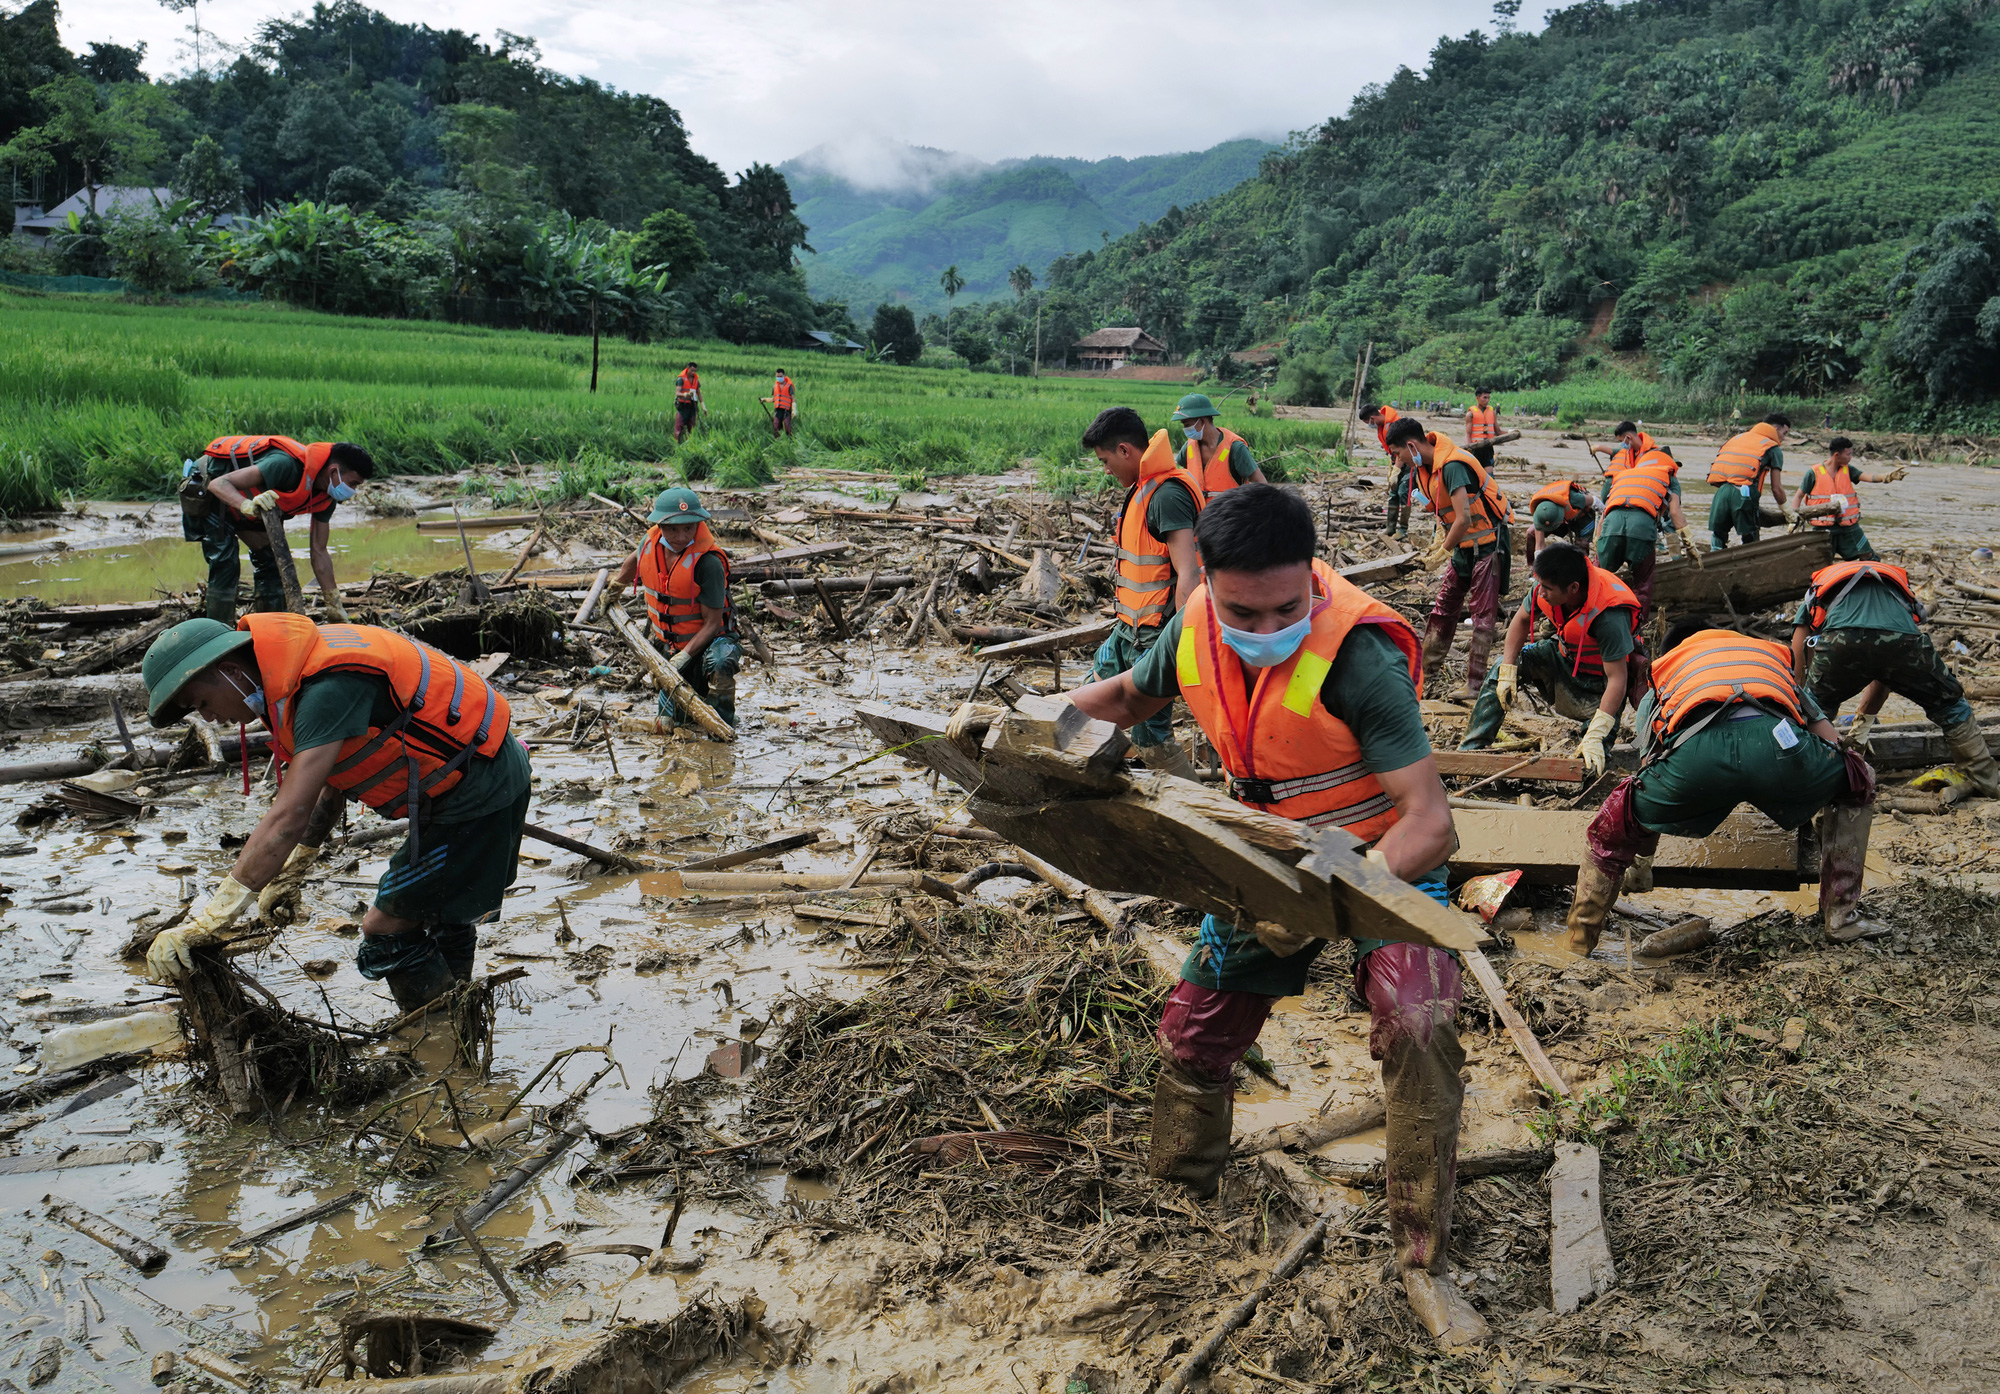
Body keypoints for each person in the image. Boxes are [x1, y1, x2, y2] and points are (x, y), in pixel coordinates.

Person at [1066, 484, 1484, 1346]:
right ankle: (1180, 1201)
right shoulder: (1190, 625)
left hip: (1365, 851)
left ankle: (1425, 1261)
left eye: (1287, 609)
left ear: (1314, 582)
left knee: (1422, 1022)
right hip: (1261, 847)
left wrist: (1325, 895)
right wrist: (1048, 721)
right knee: (1193, 1035)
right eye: (1242, 612)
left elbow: (1431, 824)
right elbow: (1134, 700)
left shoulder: (1361, 656)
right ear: (1206, 579)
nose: (1264, 632)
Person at [137, 613, 530, 1010]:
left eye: (202, 702)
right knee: (437, 908)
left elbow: (288, 816)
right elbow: (334, 777)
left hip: (477, 790)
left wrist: (213, 919)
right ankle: (457, 1012)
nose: (207, 718)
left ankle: (436, 1032)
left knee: (385, 926)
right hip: (471, 774)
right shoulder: (293, 673)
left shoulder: (326, 688)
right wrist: (296, 868)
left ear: (231, 670)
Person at [1565, 618, 1877, 954]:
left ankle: (1578, 944)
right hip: (1781, 748)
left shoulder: (1666, 671)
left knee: (1615, 823)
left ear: (1672, 651)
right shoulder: (1762, 656)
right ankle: (1842, 916)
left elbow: (1650, 771)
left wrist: (1642, 861)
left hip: (1698, 763)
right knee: (1858, 781)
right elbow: (1829, 739)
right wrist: (1815, 792)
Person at [1792, 559, 1998, 795]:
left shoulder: (1821, 584)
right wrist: (1861, 729)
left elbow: (1798, 651)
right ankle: (1983, 779)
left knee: (1817, 707)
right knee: (1950, 704)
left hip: (1841, 641)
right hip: (1902, 641)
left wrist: (1802, 699)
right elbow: (1885, 673)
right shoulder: (1896, 587)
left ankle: (1806, 780)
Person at [1082, 407, 1205, 778]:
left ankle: (1200, 815)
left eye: (1105, 460)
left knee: (1151, 736)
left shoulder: (1166, 495)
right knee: (1087, 702)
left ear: (1124, 450)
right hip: (1128, 630)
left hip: (1155, 637)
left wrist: (1181, 641)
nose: (1105, 469)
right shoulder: (1143, 486)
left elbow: (1189, 572)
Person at [1459, 543, 1643, 787]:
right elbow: (1521, 621)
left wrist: (1597, 733)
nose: (1541, 592)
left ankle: (1593, 741)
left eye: (1547, 588)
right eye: (1540, 584)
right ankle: (1473, 746)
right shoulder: (1544, 587)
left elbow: (1618, 678)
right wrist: (1507, 672)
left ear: (1573, 588)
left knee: (1592, 761)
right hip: (1562, 657)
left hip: (1600, 683)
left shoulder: (1608, 615)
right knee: (1508, 663)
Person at [182, 436, 372, 625]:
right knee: (225, 562)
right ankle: (218, 633)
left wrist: (333, 603)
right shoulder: (284, 465)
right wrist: (247, 506)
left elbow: (320, 551)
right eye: (353, 483)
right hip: (210, 486)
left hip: (248, 501)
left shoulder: (326, 497)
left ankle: (269, 628)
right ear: (333, 471)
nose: (352, 490)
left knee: (272, 561)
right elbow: (219, 484)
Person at [1386, 417, 1512, 700]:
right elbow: (1442, 512)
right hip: (1464, 546)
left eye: (1397, 454)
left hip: (1487, 545)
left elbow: (1464, 517)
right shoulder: (1422, 469)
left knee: (1482, 615)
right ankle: (1426, 672)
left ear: (1410, 445)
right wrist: (1438, 544)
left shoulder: (1453, 466)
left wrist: (1444, 550)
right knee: (1443, 606)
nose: (1398, 460)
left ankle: (1475, 685)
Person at [611, 488, 741, 728]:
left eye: (688, 528)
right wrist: (616, 586)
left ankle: (722, 727)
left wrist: (684, 657)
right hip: (671, 645)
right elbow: (634, 559)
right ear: (659, 525)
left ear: (697, 525)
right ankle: (693, 699)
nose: (681, 536)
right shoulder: (651, 544)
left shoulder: (708, 563)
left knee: (720, 665)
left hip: (711, 642)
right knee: (674, 723)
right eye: (672, 528)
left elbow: (712, 624)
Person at [1594, 442, 1696, 623]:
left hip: (1610, 527)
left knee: (1596, 578)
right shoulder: (1669, 478)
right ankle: (1636, 630)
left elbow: (1604, 516)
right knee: (1642, 585)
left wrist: (1598, 547)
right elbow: (1675, 514)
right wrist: (1690, 547)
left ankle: (1590, 619)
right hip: (1641, 529)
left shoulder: (1624, 475)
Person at [1798, 438, 1905, 561]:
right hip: (1823, 528)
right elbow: (1799, 495)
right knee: (1820, 560)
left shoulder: (1848, 469)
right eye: (1848, 454)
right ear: (1837, 455)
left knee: (1867, 555)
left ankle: (1868, 578)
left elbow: (1867, 477)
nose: (1851, 457)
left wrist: (1885, 477)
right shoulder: (1813, 473)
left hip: (1848, 526)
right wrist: (1793, 518)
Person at [1705, 414, 1790, 551]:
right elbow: (1776, 488)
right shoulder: (1772, 448)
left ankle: (1713, 562)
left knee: (1718, 537)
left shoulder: (1737, 438)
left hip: (1722, 491)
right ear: (1774, 428)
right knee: (1750, 540)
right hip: (1744, 493)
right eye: (1784, 433)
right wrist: (1787, 511)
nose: (1784, 438)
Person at [1171, 393, 1266, 494]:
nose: (1185, 429)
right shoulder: (1189, 447)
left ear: (1201, 422)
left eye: (1187, 425)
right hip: (1199, 509)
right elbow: (1181, 477)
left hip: (1229, 508)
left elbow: (1261, 483)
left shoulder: (1235, 448)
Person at [1359, 403, 1409, 537]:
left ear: (1372, 418)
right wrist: (1392, 467)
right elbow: (1392, 451)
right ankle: (1390, 527)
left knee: (1404, 492)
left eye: (1367, 422)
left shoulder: (1394, 425)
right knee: (1393, 494)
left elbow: (1401, 450)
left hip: (1407, 461)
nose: (1369, 425)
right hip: (1396, 461)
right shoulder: (1382, 427)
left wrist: (1397, 470)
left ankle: (1403, 530)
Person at [1525, 479, 1600, 559]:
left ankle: (1582, 566)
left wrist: (1604, 518)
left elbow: (1595, 501)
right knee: (1531, 532)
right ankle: (1533, 566)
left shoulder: (1574, 498)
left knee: (1581, 546)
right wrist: (1538, 565)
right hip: (1560, 519)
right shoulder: (1541, 513)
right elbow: (1539, 544)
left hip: (1583, 516)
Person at [1587, 421, 1656, 476]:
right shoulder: (1629, 451)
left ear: (1628, 437)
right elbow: (1614, 452)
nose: (1621, 444)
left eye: (1621, 441)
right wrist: (1598, 447)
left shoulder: (1653, 453)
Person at [1463, 387, 1501, 468]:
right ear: (1477, 398)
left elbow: (1498, 432)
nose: (1487, 400)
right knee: (1475, 472)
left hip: (1488, 448)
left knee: (1489, 474)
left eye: (1488, 398)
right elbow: (1468, 434)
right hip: (1476, 448)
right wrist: (1469, 448)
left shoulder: (1492, 413)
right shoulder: (1470, 414)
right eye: (1484, 397)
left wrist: (1512, 432)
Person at [673, 362, 701, 442]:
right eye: (692, 370)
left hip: (692, 407)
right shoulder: (681, 379)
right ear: (687, 368)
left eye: (695, 371)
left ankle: (690, 446)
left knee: (691, 429)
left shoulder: (696, 380)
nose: (693, 373)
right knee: (678, 429)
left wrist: (703, 406)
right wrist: (685, 395)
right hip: (682, 406)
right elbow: (677, 393)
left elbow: (699, 393)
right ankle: (675, 446)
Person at [764, 370, 796, 437]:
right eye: (777, 376)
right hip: (778, 410)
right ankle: (777, 442)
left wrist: (794, 409)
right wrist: (765, 400)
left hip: (786, 410)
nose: (779, 378)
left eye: (780, 376)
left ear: (784, 375)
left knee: (787, 428)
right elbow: (774, 399)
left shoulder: (789, 386)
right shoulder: (775, 386)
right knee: (776, 427)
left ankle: (790, 441)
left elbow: (793, 398)